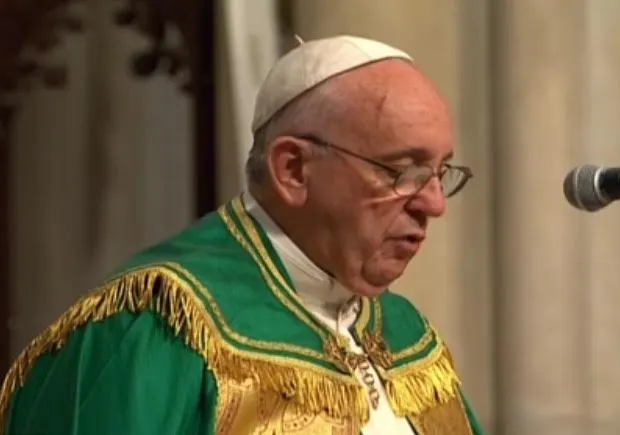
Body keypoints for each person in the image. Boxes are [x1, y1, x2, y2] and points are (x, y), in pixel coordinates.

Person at [0, 35, 483, 435]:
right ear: (293, 169)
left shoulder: (406, 335)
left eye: (440, 173)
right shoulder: (159, 330)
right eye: (402, 172)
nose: (434, 204)